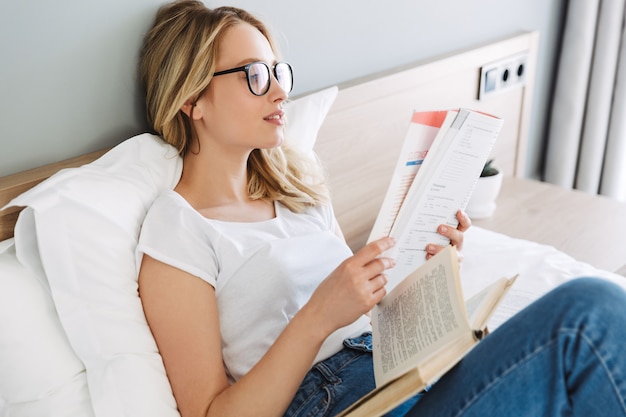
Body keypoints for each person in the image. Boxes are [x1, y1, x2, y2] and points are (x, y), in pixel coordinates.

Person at [136, 1, 626, 417]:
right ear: (192, 98)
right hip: (343, 399)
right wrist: (318, 315)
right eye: (256, 76)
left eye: (278, 72)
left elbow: (367, 310)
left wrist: (430, 272)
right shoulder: (178, 228)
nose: (281, 91)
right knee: (588, 315)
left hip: (405, 369)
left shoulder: (298, 194)